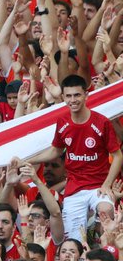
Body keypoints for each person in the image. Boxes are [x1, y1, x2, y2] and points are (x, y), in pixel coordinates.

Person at [26, 75, 123, 244]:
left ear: (86, 95)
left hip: (98, 186)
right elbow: (55, 150)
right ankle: (86, 247)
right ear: (63, 97)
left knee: (106, 210)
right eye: (69, 96)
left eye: (77, 95)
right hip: (74, 188)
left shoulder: (101, 122)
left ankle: (99, 242)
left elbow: (117, 156)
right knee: (73, 243)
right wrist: (27, 159)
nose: (73, 100)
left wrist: (107, 184)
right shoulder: (62, 122)